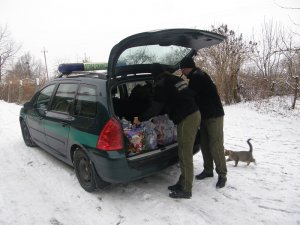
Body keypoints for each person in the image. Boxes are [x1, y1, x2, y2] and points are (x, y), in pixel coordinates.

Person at [134, 70, 201, 199]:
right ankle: (182, 182)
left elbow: (155, 108)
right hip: (194, 113)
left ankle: (186, 189)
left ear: (155, 78)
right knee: (183, 151)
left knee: (184, 153)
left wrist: (140, 119)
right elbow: (188, 94)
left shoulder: (161, 85)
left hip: (187, 118)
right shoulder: (174, 79)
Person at [180, 57, 227, 189]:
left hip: (214, 116)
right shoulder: (197, 75)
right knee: (205, 144)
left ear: (187, 68)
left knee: (216, 145)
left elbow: (191, 94)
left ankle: (222, 175)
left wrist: (179, 88)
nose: (182, 72)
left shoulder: (198, 76)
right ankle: (208, 170)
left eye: (183, 69)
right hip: (204, 116)